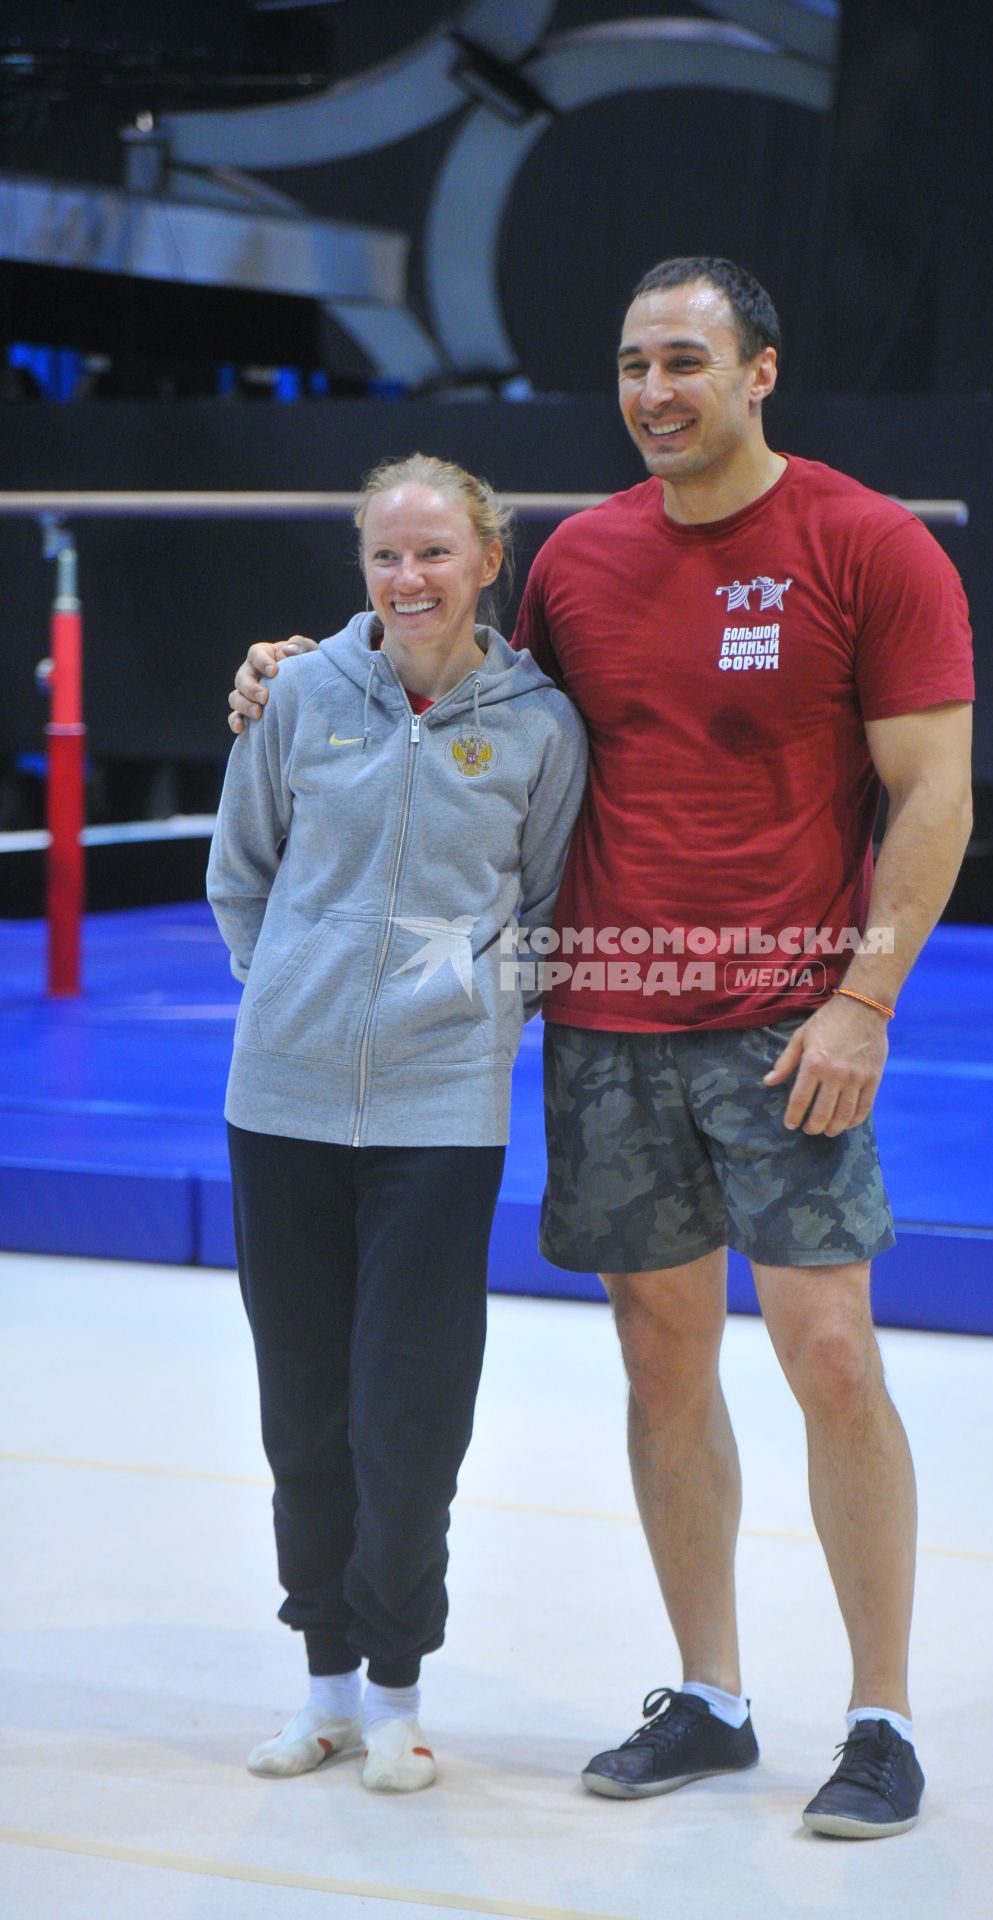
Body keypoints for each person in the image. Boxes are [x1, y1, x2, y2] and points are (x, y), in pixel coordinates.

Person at [228, 258, 974, 1839]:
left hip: (790, 1023)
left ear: (760, 373)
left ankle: (882, 1715)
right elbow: (460, 688)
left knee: (830, 1355)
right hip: (610, 1020)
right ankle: (708, 1693)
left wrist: (866, 999)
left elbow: (933, 794)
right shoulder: (577, 558)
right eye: (633, 362)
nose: (654, 391)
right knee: (660, 1360)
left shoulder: (865, 543)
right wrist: (294, 676)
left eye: (686, 361)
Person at [208, 452, 586, 1793]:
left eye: (434, 553)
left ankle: (397, 1695)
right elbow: (241, 869)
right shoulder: (303, 693)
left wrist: (477, 1018)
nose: (408, 577)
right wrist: (293, 1004)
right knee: (302, 1418)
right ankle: (317, 1690)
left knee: (408, 1422)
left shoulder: (539, 723)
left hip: (441, 1118)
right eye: (384, 555)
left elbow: (544, 905)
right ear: (360, 566)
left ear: (489, 558)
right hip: (283, 1109)